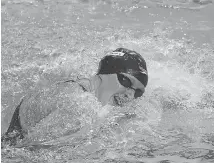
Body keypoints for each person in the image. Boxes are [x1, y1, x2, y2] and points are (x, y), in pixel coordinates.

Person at [1, 48, 148, 146]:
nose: (130, 94)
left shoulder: (81, 88)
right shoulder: (79, 105)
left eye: (138, 92)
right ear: (106, 73)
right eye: (126, 81)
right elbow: (29, 148)